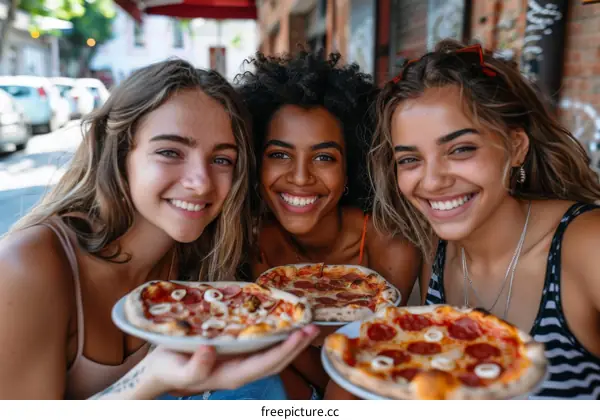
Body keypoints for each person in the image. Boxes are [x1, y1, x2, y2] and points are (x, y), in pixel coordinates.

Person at [0, 59, 318, 400]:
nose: (200, 183)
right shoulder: (26, 265)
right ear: (119, 151)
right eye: (170, 152)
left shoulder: (203, 259)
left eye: (221, 159)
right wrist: (149, 381)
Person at [368, 39, 600, 399]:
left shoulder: (588, 245)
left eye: (460, 149)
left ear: (517, 147)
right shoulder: (438, 255)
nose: (432, 181)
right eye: (410, 159)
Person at [236, 50, 421, 400]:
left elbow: (365, 365)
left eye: (323, 157)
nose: (301, 177)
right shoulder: (251, 239)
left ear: (351, 167)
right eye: (279, 154)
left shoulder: (389, 242)